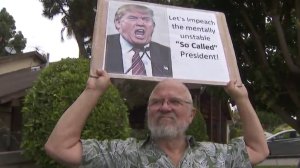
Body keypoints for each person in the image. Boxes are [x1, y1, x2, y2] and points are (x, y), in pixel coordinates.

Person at [45, 69, 269, 167]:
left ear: (191, 115)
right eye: (156, 102)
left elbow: (259, 150)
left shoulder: (215, 156)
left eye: (175, 102)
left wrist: (242, 99)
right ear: (148, 112)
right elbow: (59, 147)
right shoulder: (121, 154)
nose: (164, 107)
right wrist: (92, 91)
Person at [105, 4, 173, 77]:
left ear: (153, 25)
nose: (140, 23)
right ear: (118, 23)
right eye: (133, 18)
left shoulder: (167, 54)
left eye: (146, 19)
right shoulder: (104, 45)